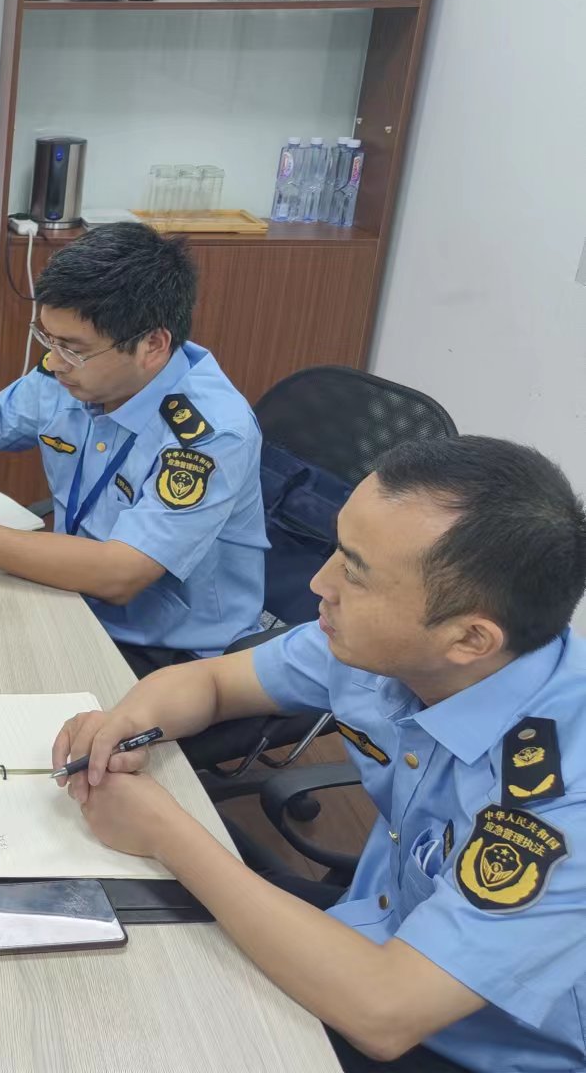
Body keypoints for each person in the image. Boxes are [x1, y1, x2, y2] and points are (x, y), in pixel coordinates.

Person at [53, 436, 586, 1072]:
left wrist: (165, 831)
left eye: (354, 573)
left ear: (470, 638)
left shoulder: (564, 793)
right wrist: (128, 724)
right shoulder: (388, 647)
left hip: (464, 1042)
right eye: (338, 549)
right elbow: (213, 683)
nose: (319, 583)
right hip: (371, 928)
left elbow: (385, 1014)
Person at [0, 222, 265, 659]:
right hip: (69, 598)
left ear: (152, 344)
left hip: (168, 651)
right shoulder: (70, 375)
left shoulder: (210, 434)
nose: (54, 361)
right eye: (47, 339)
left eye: (73, 348)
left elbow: (120, 574)